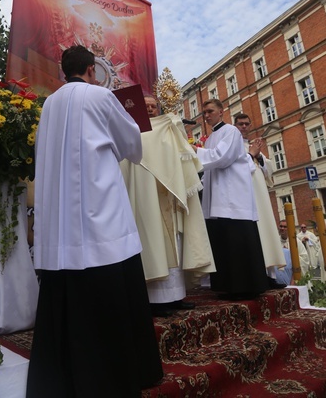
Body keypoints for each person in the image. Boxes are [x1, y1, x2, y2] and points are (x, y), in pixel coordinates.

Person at [26, 45, 163, 398]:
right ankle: (120, 374)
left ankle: (61, 376)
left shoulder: (49, 105)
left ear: (63, 72)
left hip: (60, 218)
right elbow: (131, 142)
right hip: (99, 210)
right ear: (91, 70)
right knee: (109, 276)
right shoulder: (100, 96)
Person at [121, 94, 216, 317]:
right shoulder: (132, 130)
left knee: (176, 245)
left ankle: (176, 296)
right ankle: (156, 301)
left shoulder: (167, 128)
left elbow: (179, 154)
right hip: (147, 197)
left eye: (154, 106)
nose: (152, 110)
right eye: (147, 107)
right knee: (154, 244)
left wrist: (176, 127)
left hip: (170, 195)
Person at [193, 99, 269, 299]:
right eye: (204, 113)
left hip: (232, 198)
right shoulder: (209, 139)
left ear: (221, 111)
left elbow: (222, 157)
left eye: (210, 111)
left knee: (236, 241)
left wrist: (194, 152)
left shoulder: (231, 132)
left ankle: (243, 287)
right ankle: (228, 286)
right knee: (223, 242)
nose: (207, 115)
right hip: (217, 196)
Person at [234, 113, 286, 289]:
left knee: (266, 231)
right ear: (235, 125)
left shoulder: (252, 145)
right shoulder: (232, 145)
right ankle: (257, 276)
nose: (244, 127)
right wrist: (251, 154)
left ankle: (271, 276)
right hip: (245, 195)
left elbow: (268, 169)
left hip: (260, 194)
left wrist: (260, 156)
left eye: (246, 124)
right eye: (240, 124)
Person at [275, 220, 309, 285]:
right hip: (280, 276)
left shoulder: (296, 241)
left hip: (293, 275)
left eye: (285, 227)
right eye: (281, 226)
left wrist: (290, 255)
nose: (282, 228)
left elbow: (305, 258)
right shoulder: (275, 242)